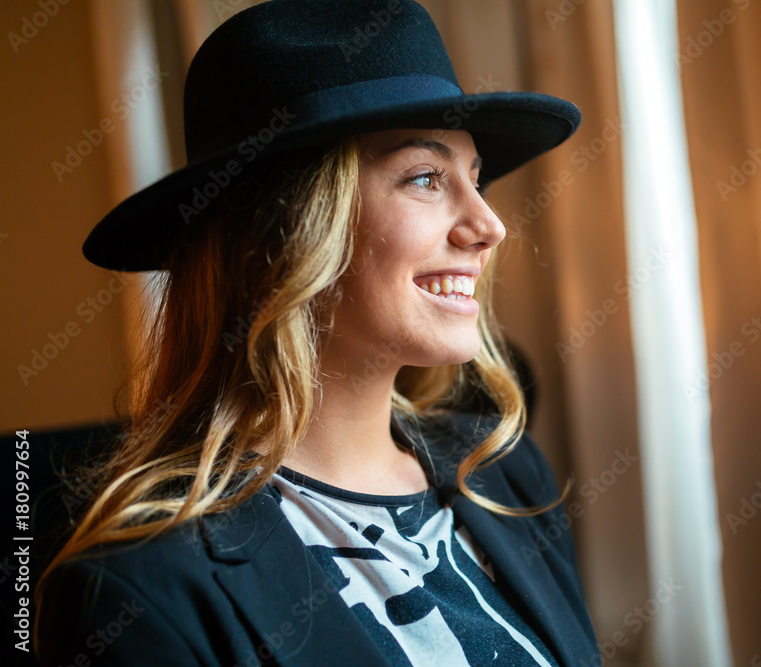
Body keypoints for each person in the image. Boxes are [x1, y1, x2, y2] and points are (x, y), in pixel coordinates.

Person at [33, 1, 599, 665]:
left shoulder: (504, 469)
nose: (489, 227)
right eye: (425, 178)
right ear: (285, 232)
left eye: (475, 180)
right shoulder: (140, 590)